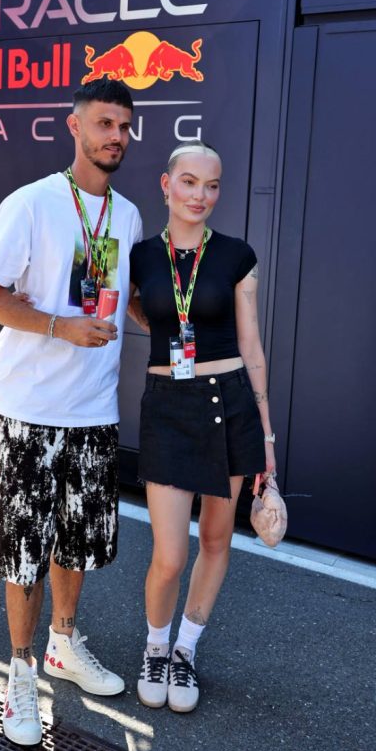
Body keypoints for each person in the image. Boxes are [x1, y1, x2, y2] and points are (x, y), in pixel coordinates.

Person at [0, 77, 142, 746]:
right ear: (72, 126)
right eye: (104, 124)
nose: (115, 138)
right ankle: (18, 672)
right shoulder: (31, 204)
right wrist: (56, 326)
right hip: (29, 410)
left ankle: (62, 646)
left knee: (76, 542)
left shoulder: (126, 217)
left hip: (93, 411)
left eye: (124, 128)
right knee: (23, 553)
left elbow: (125, 296)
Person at [128, 140, 276, 713]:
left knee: (215, 540)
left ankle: (186, 649)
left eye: (212, 186)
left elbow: (251, 346)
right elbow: (131, 307)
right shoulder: (141, 256)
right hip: (168, 405)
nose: (201, 196)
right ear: (166, 185)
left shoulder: (237, 255)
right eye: (189, 183)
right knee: (169, 554)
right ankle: (156, 646)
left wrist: (265, 437)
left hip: (231, 402)